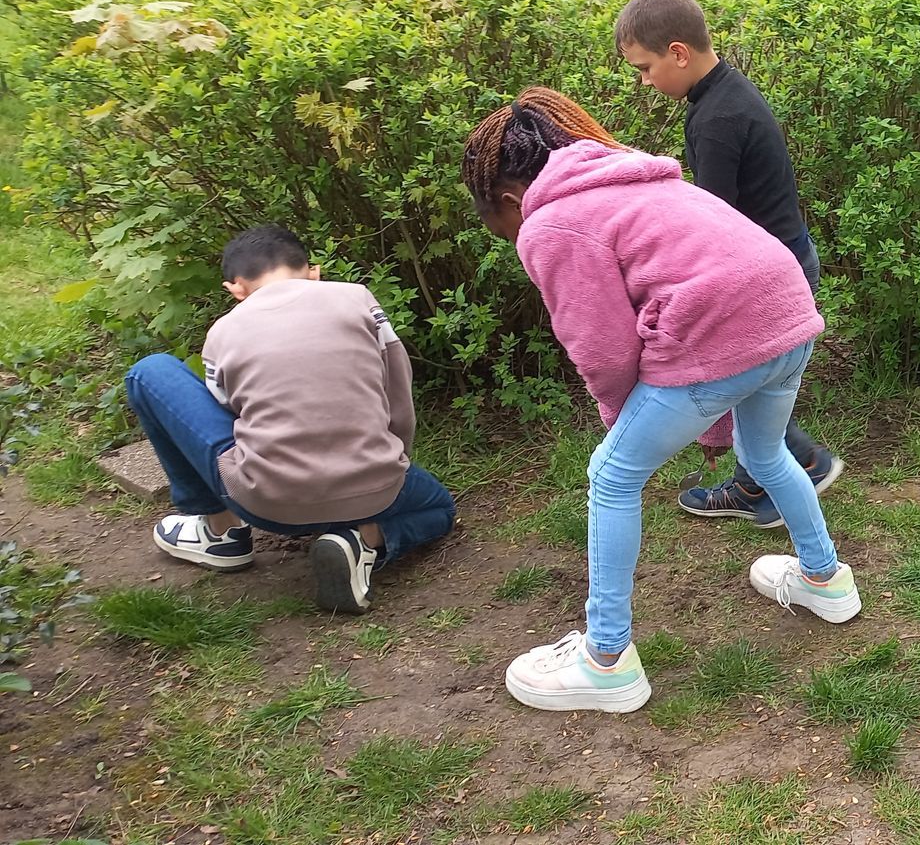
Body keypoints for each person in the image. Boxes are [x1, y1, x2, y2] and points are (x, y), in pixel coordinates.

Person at [462, 87, 861, 714]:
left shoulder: (549, 221)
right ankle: (825, 580)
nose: (510, 237)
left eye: (499, 227)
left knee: (612, 474)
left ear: (510, 199)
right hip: (788, 318)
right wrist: (699, 417)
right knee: (766, 452)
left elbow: (601, 347)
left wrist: (623, 419)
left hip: (726, 334)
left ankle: (606, 661)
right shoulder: (636, 177)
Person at [125, 225, 456, 615]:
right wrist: (393, 459)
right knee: (439, 510)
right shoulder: (358, 299)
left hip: (268, 503)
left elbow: (230, 416)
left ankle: (220, 531)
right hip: (377, 486)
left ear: (235, 289)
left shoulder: (223, 332)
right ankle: (362, 539)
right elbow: (398, 390)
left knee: (149, 372)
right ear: (314, 272)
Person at [613, 0, 845, 529]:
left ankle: (806, 463)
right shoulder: (726, 95)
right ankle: (755, 479)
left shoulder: (716, 119)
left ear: (678, 52)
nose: (644, 82)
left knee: (749, 376)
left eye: (645, 68)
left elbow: (714, 224)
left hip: (770, 270)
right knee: (754, 381)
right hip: (783, 256)